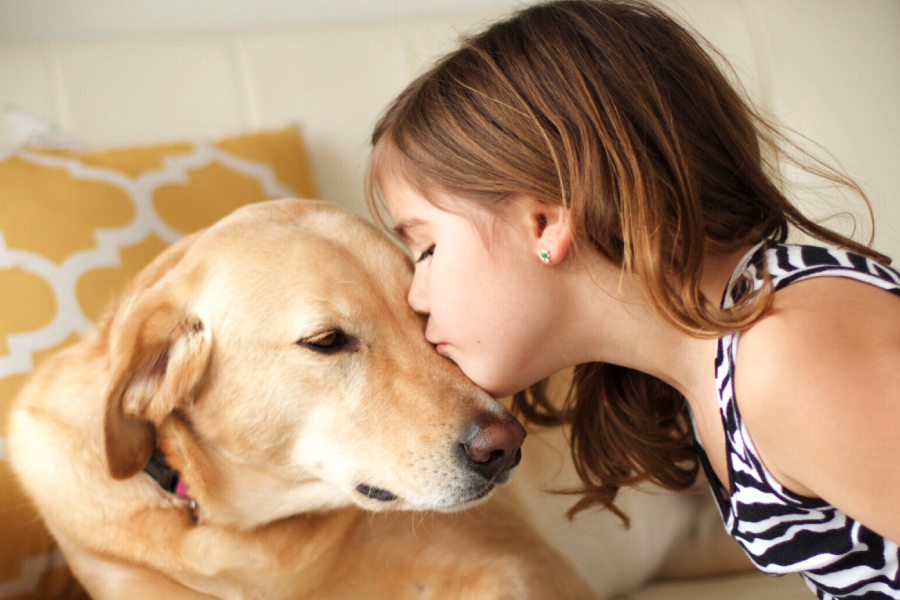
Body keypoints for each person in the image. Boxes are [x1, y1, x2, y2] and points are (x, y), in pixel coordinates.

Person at [363, 1, 900, 597]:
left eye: (427, 248)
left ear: (543, 223)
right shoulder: (717, 372)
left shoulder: (786, 355)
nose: (415, 295)